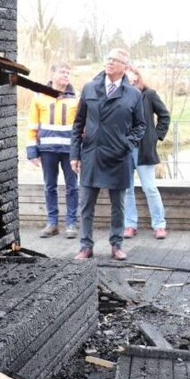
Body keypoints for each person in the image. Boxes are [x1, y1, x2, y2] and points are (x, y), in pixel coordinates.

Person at [70, 49, 146, 261]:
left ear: (125, 67)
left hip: (118, 157)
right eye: (109, 58)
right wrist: (74, 155)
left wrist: (127, 144)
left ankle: (116, 245)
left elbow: (140, 126)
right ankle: (86, 246)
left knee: (118, 206)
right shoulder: (89, 88)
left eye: (116, 60)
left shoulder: (133, 94)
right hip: (91, 155)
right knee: (86, 204)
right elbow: (78, 124)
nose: (110, 62)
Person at [26, 62, 79, 239]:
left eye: (68, 72)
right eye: (62, 72)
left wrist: (80, 151)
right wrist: (32, 151)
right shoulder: (39, 96)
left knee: (72, 187)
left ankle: (71, 223)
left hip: (70, 151)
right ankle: (52, 223)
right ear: (53, 75)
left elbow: (82, 127)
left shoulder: (76, 98)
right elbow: (32, 125)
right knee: (50, 186)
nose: (66, 75)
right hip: (47, 150)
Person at [122, 66, 170, 240]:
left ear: (137, 76)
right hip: (124, 149)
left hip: (144, 149)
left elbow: (164, 115)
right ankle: (130, 225)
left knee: (149, 187)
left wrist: (155, 136)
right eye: (125, 72)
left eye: (131, 71)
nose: (128, 75)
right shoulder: (119, 94)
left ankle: (159, 225)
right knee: (126, 189)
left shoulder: (148, 94)